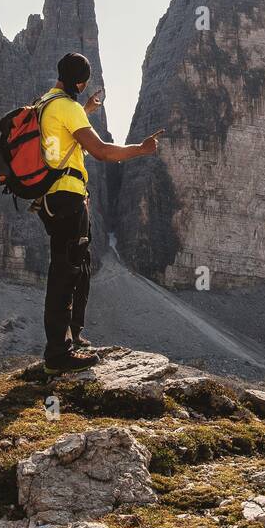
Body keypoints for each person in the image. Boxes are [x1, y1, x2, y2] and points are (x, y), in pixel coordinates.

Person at [35, 52, 161, 374]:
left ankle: (71, 337)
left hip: (51, 197)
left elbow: (61, 139)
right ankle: (58, 354)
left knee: (78, 265)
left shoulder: (46, 103)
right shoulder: (68, 107)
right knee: (66, 271)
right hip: (68, 196)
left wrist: (87, 110)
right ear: (80, 82)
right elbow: (103, 152)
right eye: (84, 82)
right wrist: (142, 150)